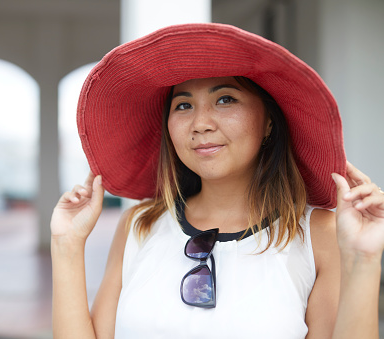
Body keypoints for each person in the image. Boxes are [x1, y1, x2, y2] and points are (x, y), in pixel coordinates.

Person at [51, 23, 384, 338]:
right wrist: (66, 244)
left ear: (269, 121)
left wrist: (364, 259)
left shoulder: (318, 236)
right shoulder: (139, 225)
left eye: (225, 99)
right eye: (183, 105)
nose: (200, 123)